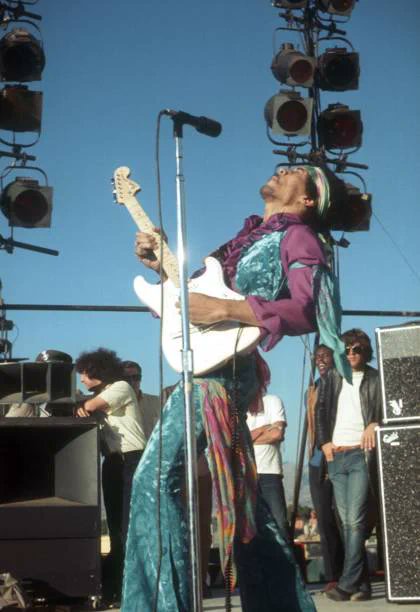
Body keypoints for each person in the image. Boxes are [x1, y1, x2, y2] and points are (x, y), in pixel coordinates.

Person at [123, 165, 350, 612]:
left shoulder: (299, 236)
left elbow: (307, 310)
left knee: (155, 477)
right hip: (214, 366)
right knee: (242, 498)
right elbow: (196, 300)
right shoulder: (243, 239)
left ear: (308, 200)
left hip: (221, 376)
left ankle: (162, 605)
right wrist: (162, 271)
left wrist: (226, 307)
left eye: (296, 172)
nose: (282, 168)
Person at [75, 347, 146, 604]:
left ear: (98, 372)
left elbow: (92, 405)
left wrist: (83, 404)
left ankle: (132, 589)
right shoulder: (105, 391)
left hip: (132, 460)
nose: (81, 379)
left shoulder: (120, 387)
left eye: (84, 373)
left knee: (128, 528)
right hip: (114, 462)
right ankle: (115, 588)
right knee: (116, 529)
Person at [316, 329, 381, 602]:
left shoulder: (376, 378)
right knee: (345, 522)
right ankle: (362, 584)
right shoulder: (332, 376)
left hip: (360, 455)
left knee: (355, 520)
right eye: (348, 350)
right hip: (336, 456)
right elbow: (320, 412)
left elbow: (390, 408)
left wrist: (375, 423)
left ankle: (346, 583)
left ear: (366, 352)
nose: (352, 354)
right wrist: (324, 443)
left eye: (357, 350)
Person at [307, 344, 344, 590]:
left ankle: (351, 572)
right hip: (317, 458)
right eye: (317, 357)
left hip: (338, 453)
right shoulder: (314, 389)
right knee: (324, 517)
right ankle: (333, 574)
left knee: (344, 516)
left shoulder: (341, 383)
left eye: (325, 356)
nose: (321, 360)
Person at [247, 393, 289, 535]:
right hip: (246, 474)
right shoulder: (238, 408)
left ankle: (283, 557)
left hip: (270, 472)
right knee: (251, 526)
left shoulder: (272, 401)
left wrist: (248, 438)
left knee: (279, 523)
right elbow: (236, 441)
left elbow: (277, 434)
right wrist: (263, 429)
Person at [5, 349, 73, 417]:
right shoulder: (23, 400)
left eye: (53, 373)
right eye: (41, 371)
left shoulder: (74, 398)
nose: (46, 376)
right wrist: (27, 402)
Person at [121, 360, 161, 440]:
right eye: (126, 379)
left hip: (152, 450)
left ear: (141, 378)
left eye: (136, 377)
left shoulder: (157, 402)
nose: (132, 382)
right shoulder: (113, 404)